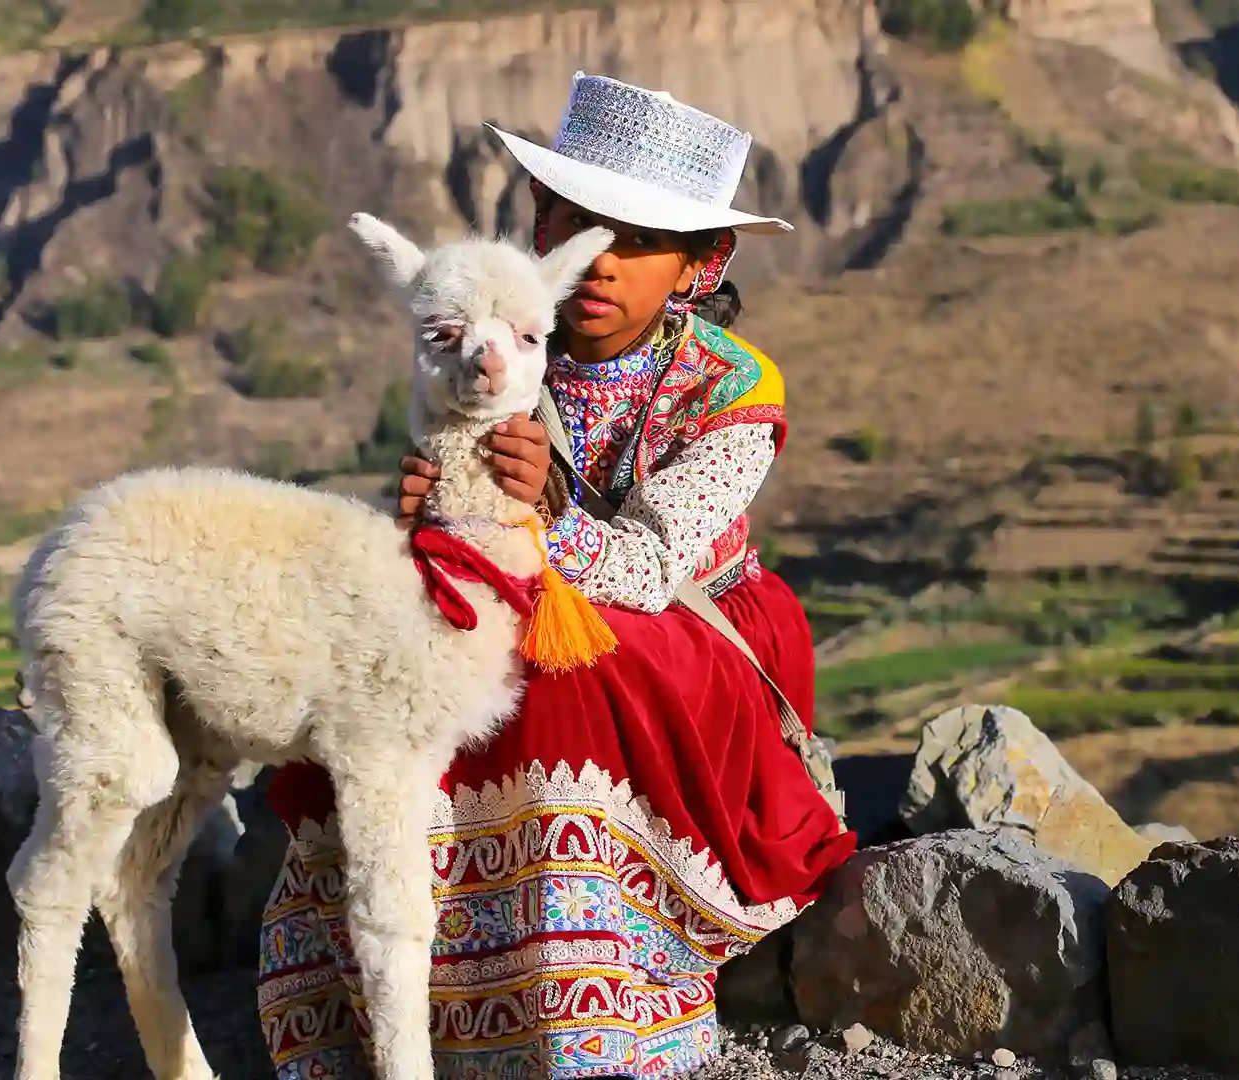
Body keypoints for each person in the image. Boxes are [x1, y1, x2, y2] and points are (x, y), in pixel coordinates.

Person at [257, 72, 858, 1080]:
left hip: (684, 630)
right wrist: (426, 524)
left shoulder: (733, 390)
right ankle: (381, 1010)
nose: (602, 265)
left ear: (702, 264)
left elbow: (654, 566)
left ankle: (575, 1020)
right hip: (534, 590)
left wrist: (546, 516)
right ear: (540, 222)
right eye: (580, 227)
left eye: (637, 243)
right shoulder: (491, 353)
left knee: (560, 678)